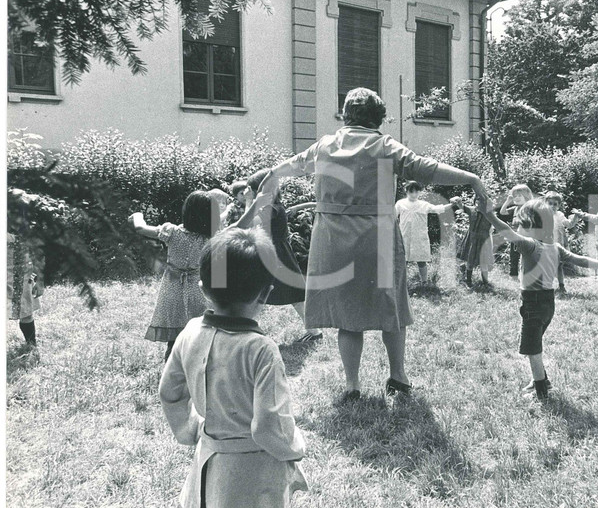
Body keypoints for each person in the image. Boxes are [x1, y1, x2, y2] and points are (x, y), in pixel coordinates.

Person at [257, 88, 489, 400]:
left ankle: (352, 385)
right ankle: (398, 377)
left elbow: (289, 167)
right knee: (390, 308)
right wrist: (471, 178)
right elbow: (427, 168)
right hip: (376, 237)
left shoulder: (324, 145)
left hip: (332, 239)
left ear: (344, 114)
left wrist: (268, 178)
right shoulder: (385, 145)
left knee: (347, 316)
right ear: (378, 118)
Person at [159, 228, 307, 508]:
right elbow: (269, 426)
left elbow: (169, 391)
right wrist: (296, 448)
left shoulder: (190, 332)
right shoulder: (261, 350)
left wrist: (187, 429)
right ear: (266, 294)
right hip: (253, 472)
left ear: (202, 288)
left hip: (209, 462)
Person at [481, 197, 598, 400]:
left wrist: (488, 214)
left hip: (533, 303)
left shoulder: (530, 246)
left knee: (532, 349)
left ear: (530, 226)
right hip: (548, 303)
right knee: (533, 342)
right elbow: (582, 260)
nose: (518, 229)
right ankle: (541, 380)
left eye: (520, 225)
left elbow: (505, 231)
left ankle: (541, 392)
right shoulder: (555, 247)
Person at [229, 169, 322, 345]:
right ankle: (313, 331)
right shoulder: (273, 205)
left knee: (280, 294)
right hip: (277, 253)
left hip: (273, 255)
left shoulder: (268, 208)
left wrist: (249, 201)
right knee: (286, 294)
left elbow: (245, 225)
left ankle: (314, 331)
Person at [131, 190, 219, 361]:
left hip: (172, 288)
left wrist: (137, 215)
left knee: (174, 336)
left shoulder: (171, 232)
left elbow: (140, 228)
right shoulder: (210, 240)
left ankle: (171, 370)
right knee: (199, 331)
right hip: (197, 289)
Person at [394, 181, 453, 287]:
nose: (414, 194)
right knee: (403, 261)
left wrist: (453, 204)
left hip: (419, 237)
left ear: (419, 192)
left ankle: (424, 283)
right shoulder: (400, 203)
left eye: (416, 192)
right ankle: (400, 284)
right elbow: (392, 217)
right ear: (406, 191)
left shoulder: (423, 205)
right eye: (411, 192)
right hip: (404, 236)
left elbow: (438, 209)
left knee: (421, 260)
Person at [7, 231, 43, 354]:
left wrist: (40, 281)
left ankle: (31, 346)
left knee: (26, 313)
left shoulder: (26, 225)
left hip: (21, 277)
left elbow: (38, 254)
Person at [450, 195, 494, 287]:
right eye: (477, 200)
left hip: (484, 240)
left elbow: (495, 225)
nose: (478, 203)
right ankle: (468, 281)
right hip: (472, 239)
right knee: (470, 261)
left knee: (483, 262)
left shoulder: (490, 214)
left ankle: (485, 282)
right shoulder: (472, 210)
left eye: (481, 201)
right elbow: (462, 206)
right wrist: (457, 200)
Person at [543, 191, 576, 294]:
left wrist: (576, 216)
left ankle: (561, 286)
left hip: (558, 245)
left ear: (559, 205)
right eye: (550, 203)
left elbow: (569, 224)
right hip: (546, 244)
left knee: (559, 266)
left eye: (555, 204)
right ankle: (547, 285)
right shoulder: (543, 215)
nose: (552, 206)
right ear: (545, 203)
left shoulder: (560, 215)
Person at [498, 184, 534, 278]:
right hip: (514, 236)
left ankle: (527, 274)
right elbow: (502, 212)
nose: (517, 198)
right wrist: (508, 201)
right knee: (513, 255)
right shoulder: (515, 208)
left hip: (525, 236)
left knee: (526, 256)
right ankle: (513, 274)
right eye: (515, 196)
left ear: (526, 196)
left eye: (519, 196)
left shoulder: (528, 207)